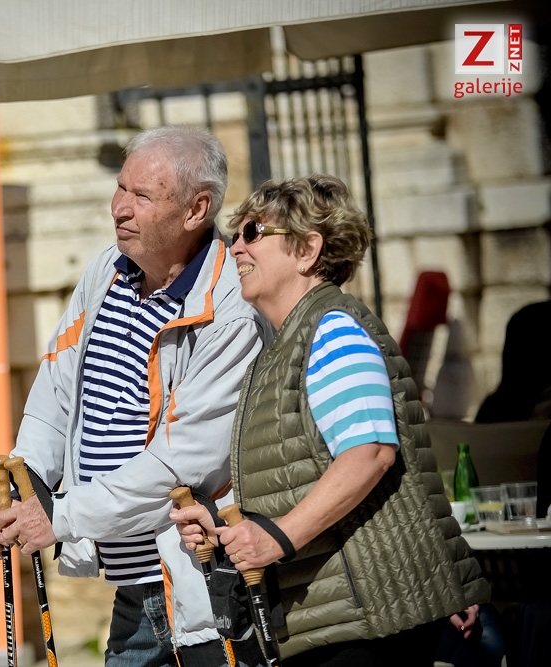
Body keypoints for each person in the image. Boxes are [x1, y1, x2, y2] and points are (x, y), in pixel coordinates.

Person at [0, 126, 270, 666]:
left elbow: (181, 462)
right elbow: (54, 395)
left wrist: (58, 517)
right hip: (136, 588)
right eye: (120, 187)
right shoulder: (106, 272)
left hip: (204, 582)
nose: (119, 208)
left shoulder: (231, 306)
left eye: (142, 196)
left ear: (196, 210)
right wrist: (23, 494)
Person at [170, 174, 489, 666]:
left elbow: (369, 454)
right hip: (341, 618)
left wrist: (276, 539)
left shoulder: (333, 330)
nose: (235, 248)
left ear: (307, 249)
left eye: (253, 232)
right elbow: (301, 475)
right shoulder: (288, 344)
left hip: (371, 619)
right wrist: (223, 527)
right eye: (234, 235)